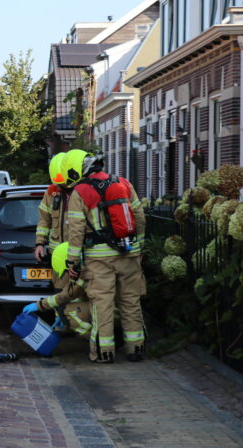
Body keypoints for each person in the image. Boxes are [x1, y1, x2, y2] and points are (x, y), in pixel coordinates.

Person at [62, 149, 146, 363]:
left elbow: (76, 231)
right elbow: (139, 217)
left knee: (103, 304)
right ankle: (135, 348)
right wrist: (139, 248)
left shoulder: (80, 191)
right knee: (130, 301)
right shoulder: (123, 183)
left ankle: (104, 352)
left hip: (99, 259)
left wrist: (72, 261)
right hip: (129, 253)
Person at [24, 152, 92, 339]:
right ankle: (62, 326)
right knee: (59, 291)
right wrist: (39, 243)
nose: (61, 187)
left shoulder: (83, 191)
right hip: (58, 257)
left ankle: (80, 326)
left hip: (80, 255)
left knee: (79, 293)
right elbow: (44, 219)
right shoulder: (52, 191)